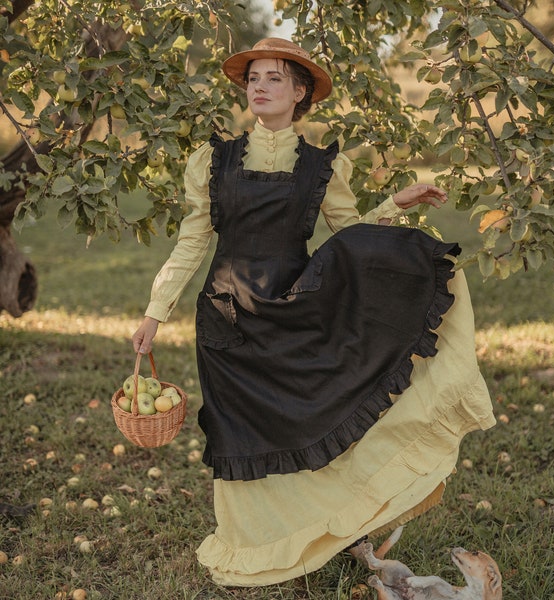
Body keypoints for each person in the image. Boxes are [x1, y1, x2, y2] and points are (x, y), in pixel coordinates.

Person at [132, 38, 495, 587]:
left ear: (300, 93)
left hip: (295, 311)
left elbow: (349, 238)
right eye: (253, 77)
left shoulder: (324, 166)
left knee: (308, 417)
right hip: (226, 319)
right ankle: (251, 547)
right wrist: (155, 312)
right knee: (240, 435)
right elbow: (191, 243)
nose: (259, 86)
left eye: (275, 78)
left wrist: (392, 206)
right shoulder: (212, 161)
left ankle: (322, 529)